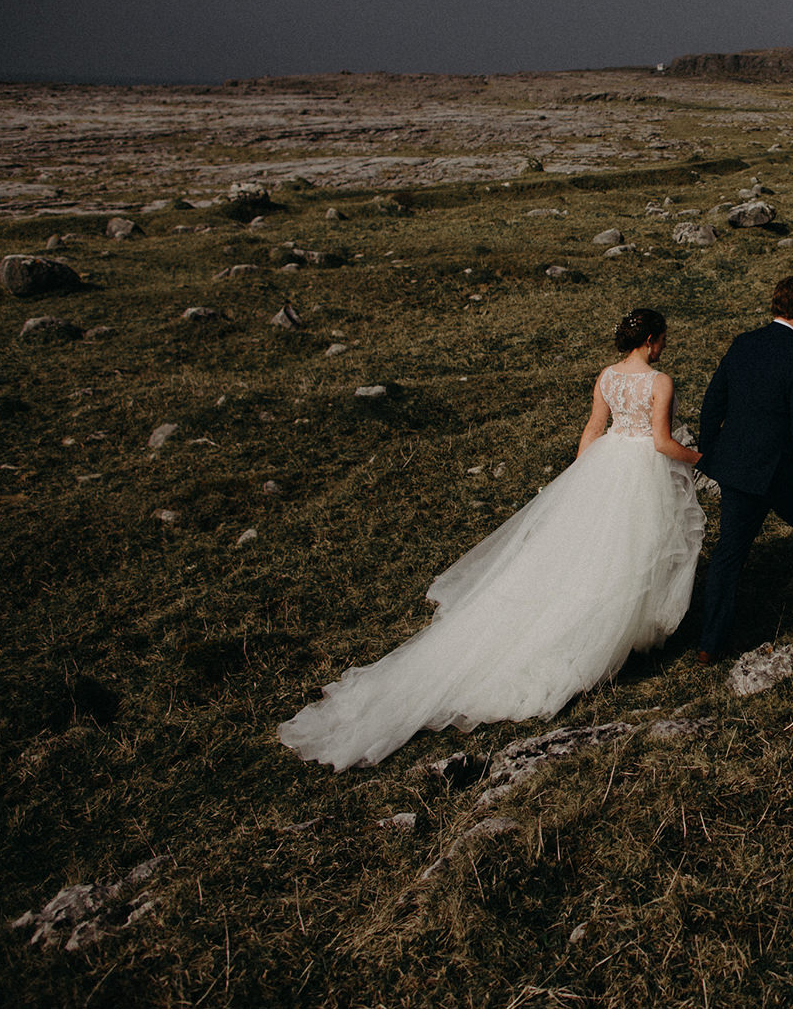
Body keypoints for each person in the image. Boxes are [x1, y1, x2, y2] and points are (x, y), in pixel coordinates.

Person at [278, 308, 705, 770]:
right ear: (652, 341)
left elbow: (591, 430)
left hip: (604, 464)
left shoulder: (607, 376)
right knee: (628, 555)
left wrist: (581, 484)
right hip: (640, 470)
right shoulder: (660, 381)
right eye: (662, 339)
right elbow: (662, 442)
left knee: (590, 555)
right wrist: (702, 457)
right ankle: (608, 638)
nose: (663, 346)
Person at [694, 275, 793, 661]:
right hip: (777, 473)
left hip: (737, 470)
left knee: (728, 555)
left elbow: (712, 401)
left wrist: (712, 453)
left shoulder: (743, 343)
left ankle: (710, 644)